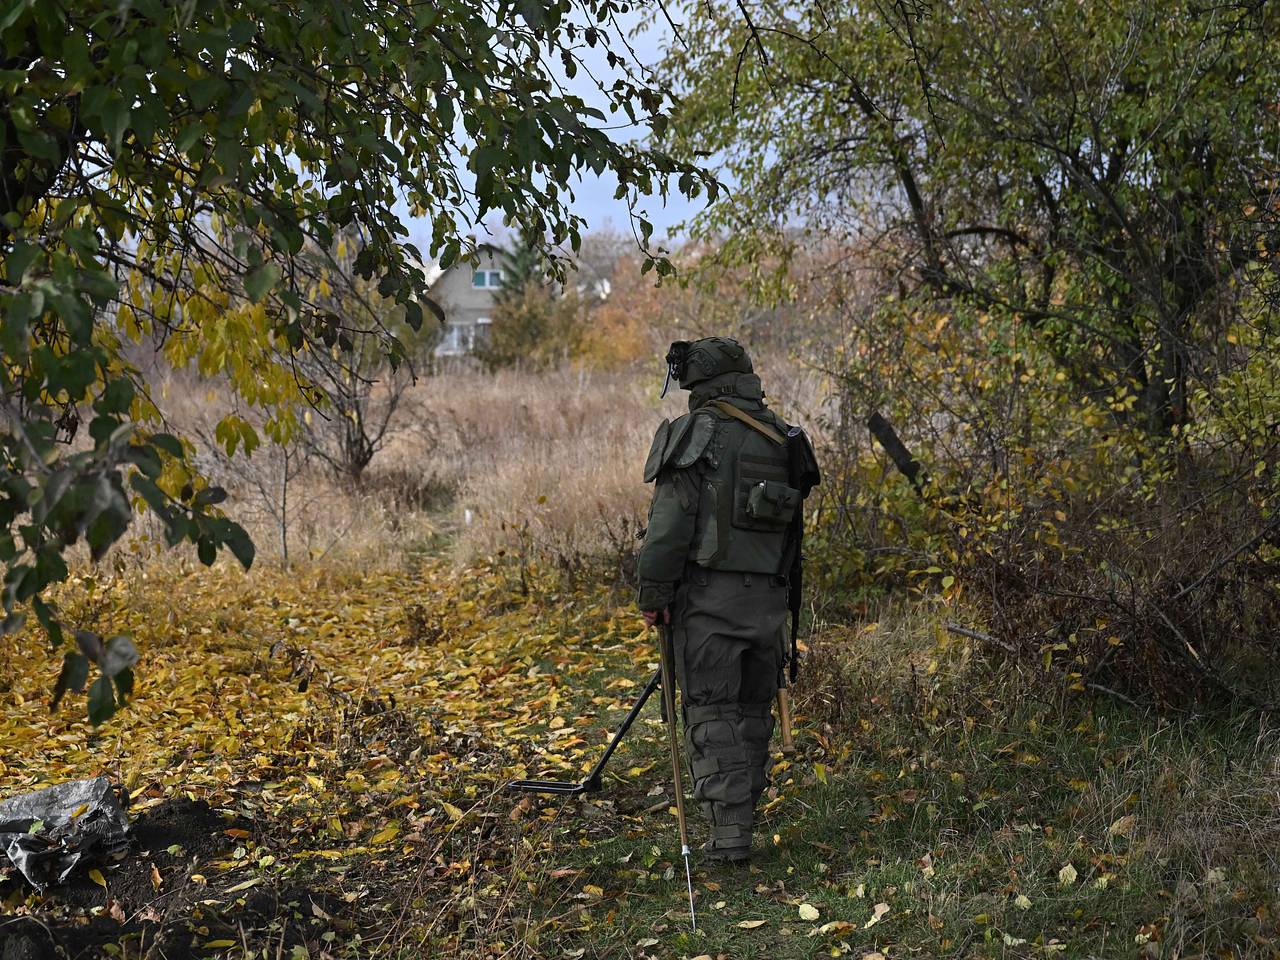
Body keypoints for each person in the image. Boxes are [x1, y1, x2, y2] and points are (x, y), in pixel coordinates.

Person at [637, 337, 820, 863]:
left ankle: (729, 833)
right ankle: (742, 819)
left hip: (707, 600)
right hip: (769, 602)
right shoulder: (786, 437)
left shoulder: (699, 434)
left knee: (712, 709)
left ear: (698, 382)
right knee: (752, 710)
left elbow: (670, 525)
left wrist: (653, 591)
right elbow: (794, 536)